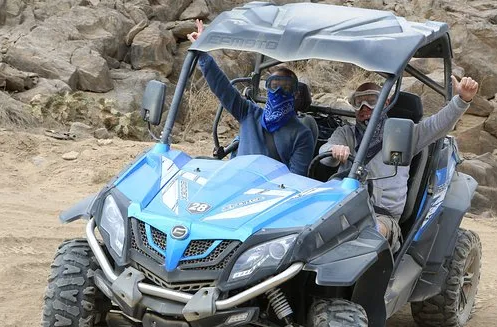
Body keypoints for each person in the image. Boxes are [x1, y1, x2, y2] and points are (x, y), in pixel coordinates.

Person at [319, 76, 479, 251]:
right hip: (343, 209)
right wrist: (335, 150)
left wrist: (462, 100)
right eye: (359, 102)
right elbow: (325, 155)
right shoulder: (345, 133)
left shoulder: (404, 134)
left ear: (385, 103)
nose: (364, 107)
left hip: (381, 216)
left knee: (368, 235)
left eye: (372, 101)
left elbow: (436, 125)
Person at [188, 20, 314, 176]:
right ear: (267, 89)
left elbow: (295, 180)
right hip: (235, 181)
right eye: (274, 85)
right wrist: (202, 53)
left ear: (295, 93)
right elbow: (222, 88)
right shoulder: (249, 113)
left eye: (286, 87)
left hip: (268, 189)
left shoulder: (301, 134)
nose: (279, 91)